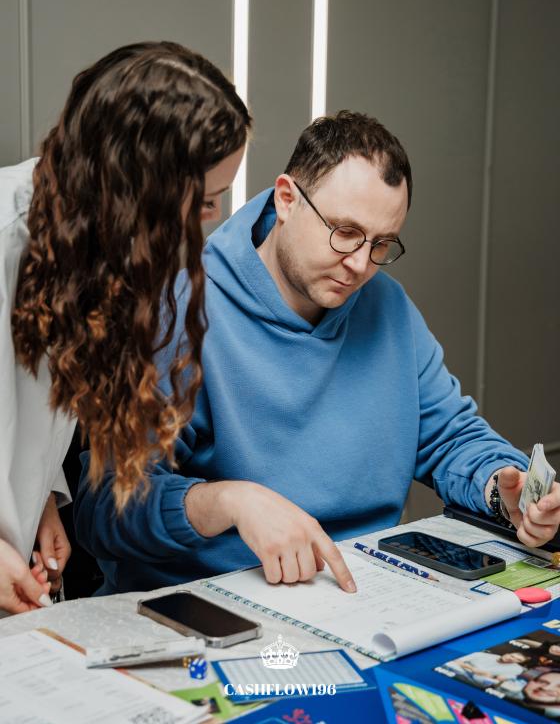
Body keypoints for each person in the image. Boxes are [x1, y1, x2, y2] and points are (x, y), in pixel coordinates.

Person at [76, 110, 560, 596]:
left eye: (381, 244)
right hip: (209, 600)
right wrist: (228, 502)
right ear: (286, 199)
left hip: (363, 589)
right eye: (344, 232)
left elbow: (452, 437)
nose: (359, 265)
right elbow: (105, 507)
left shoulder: (387, 307)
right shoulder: (179, 311)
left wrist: (504, 489)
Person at [0, 41, 251, 614]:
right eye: (204, 199)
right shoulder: (5, 237)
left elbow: (26, 415)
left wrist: (39, 499)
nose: (212, 218)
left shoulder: (99, 248)